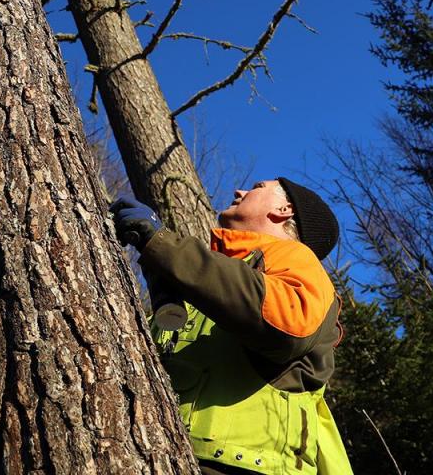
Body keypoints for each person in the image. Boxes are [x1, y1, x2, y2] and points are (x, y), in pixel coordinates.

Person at [111, 178, 353, 475]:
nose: (239, 191)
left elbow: (287, 323)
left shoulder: (296, 259)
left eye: (258, 187)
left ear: (284, 209)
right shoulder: (213, 282)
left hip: (247, 466)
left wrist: (162, 245)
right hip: (164, 455)